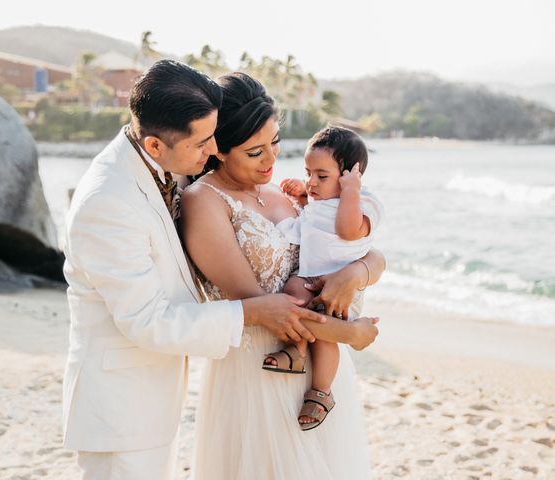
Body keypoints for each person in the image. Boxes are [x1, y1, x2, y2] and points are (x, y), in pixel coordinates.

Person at [62, 60, 336, 480]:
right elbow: (147, 321)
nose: (213, 151)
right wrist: (252, 312)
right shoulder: (108, 201)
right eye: (204, 142)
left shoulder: (163, 162)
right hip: (121, 410)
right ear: (155, 146)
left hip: (154, 398)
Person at [180, 72, 385, 479]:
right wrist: (351, 335)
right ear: (218, 149)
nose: (271, 160)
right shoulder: (204, 202)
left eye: (275, 143)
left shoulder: (281, 193)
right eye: (255, 152)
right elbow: (267, 310)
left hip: (321, 372)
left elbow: (361, 248)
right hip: (263, 368)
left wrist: (356, 273)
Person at [264, 126, 384, 431]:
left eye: (321, 176)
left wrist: (351, 191)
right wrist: (304, 199)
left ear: (349, 176)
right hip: (308, 278)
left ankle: (321, 391)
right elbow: (313, 228)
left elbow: (345, 230)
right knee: (292, 294)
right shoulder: (320, 202)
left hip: (340, 288)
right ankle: (296, 351)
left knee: (324, 336)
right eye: (308, 173)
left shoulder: (364, 203)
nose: (311, 181)